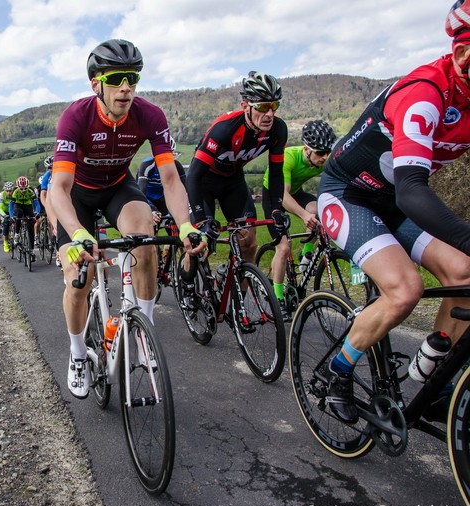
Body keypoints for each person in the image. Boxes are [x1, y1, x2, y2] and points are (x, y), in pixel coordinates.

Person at [319, 0, 470, 424]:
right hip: (349, 195)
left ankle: (435, 381)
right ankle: (338, 370)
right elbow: (411, 191)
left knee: (463, 272)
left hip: (394, 199)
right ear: (463, 55)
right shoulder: (426, 93)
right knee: (405, 290)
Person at [50, 38, 203, 399]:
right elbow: (59, 187)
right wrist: (78, 233)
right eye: (116, 79)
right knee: (79, 280)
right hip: (78, 196)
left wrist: (185, 225)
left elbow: (170, 179)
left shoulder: (150, 115)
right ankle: (77, 354)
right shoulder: (76, 117)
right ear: (96, 84)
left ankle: (143, 331)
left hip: (118, 187)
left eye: (132, 78)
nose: (125, 88)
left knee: (145, 243)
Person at [185, 71, 289, 265]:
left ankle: (239, 283)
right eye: (262, 107)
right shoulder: (225, 128)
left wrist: (276, 210)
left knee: (248, 243)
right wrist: (200, 221)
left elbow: (276, 173)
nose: (269, 114)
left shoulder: (278, 130)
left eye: (274, 106)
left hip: (233, 182)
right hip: (203, 182)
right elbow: (193, 175)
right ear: (245, 106)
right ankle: (187, 279)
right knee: (199, 244)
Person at [261, 120, 337, 316]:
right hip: (275, 196)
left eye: (327, 152)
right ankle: (277, 297)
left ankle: (306, 254)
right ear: (306, 149)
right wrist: (304, 215)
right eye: (320, 153)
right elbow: (283, 195)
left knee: (320, 212)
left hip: (295, 193)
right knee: (283, 247)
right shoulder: (289, 158)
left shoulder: (324, 160)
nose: (324, 157)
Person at [136, 136, 187, 220]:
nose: (164, 160)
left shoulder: (177, 166)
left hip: (164, 198)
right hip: (148, 198)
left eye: (169, 156)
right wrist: (151, 210)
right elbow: (141, 191)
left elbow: (185, 188)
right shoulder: (147, 165)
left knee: (175, 219)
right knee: (151, 221)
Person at [10, 175, 39, 258]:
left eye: (25, 188)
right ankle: (17, 234)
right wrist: (12, 215)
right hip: (18, 206)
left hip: (28, 206)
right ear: (18, 187)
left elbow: (36, 203)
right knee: (18, 214)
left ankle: (32, 250)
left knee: (31, 226)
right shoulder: (15, 191)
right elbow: (11, 205)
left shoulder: (31, 190)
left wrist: (37, 212)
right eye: (21, 189)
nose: (23, 190)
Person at [0, 182, 15, 252]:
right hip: (4, 212)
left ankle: (17, 235)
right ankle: (5, 242)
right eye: (7, 191)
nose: (8, 193)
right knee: (6, 224)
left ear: (12, 190)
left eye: (10, 191)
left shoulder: (15, 194)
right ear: (4, 190)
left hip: (12, 211)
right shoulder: (1, 195)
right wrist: (4, 215)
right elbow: (0, 208)